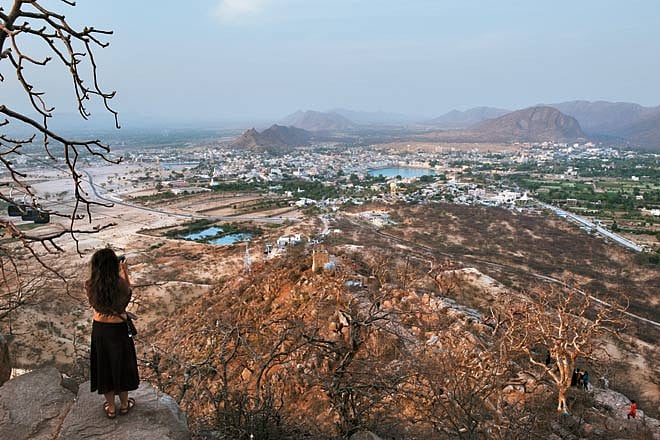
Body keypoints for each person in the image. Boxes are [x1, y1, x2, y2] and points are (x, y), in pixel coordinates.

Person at [86, 248, 139, 419]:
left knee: (105, 366)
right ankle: (124, 405)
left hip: (100, 330)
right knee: (122, 365)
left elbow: (95, 302)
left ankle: (110, 407)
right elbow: (127, 293)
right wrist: (124, 271)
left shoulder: (90, 285)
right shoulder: (121, 285)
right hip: (119, 330)